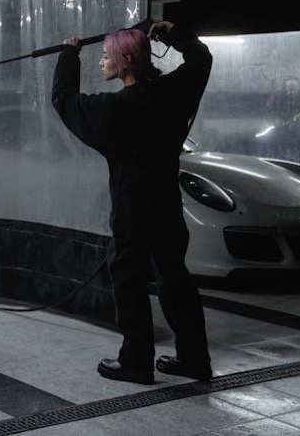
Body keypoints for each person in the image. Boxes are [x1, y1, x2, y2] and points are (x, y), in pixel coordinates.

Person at [51, 20, 213, 384]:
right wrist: (175, 32)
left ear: (125, 61)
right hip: (168, 206)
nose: (101, 62)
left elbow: (63, 101)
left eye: (106, 56)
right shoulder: (172, 94)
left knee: (128, 277)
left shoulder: (113, 111)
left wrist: (69, 54)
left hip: (132, 208)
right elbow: (201, 59)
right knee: (174, 277)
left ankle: (136, 361)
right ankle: (195, 360)